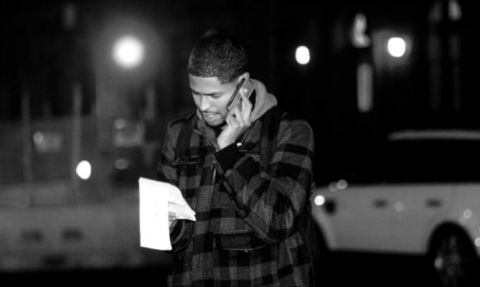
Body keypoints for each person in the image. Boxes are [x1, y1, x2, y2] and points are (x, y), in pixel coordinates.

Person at [157, 31, 315, 287]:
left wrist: (228, 152)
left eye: (214, 95)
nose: (203, 106)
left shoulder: (289, 131)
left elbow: (277, 222)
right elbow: (173, 243)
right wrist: (168, 225)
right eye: (196, 93)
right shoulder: (180, 135)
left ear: (242, 83)